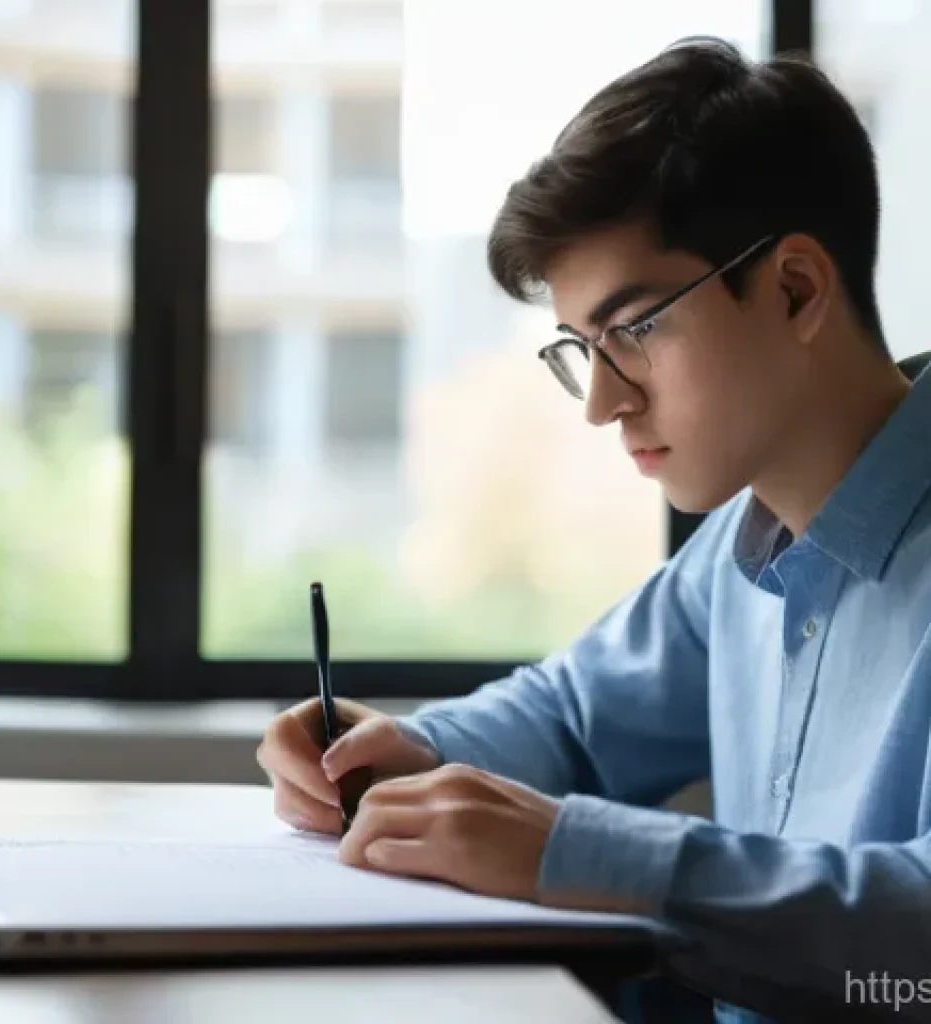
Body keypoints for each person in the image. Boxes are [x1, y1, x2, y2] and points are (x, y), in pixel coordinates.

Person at [257, 36, 931, 1024]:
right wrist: (408, 749)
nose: (601, 401)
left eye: (635, 328)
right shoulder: (739, 554)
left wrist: (575, 854)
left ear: (794, 288)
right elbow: (572, 716)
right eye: (582, 348)